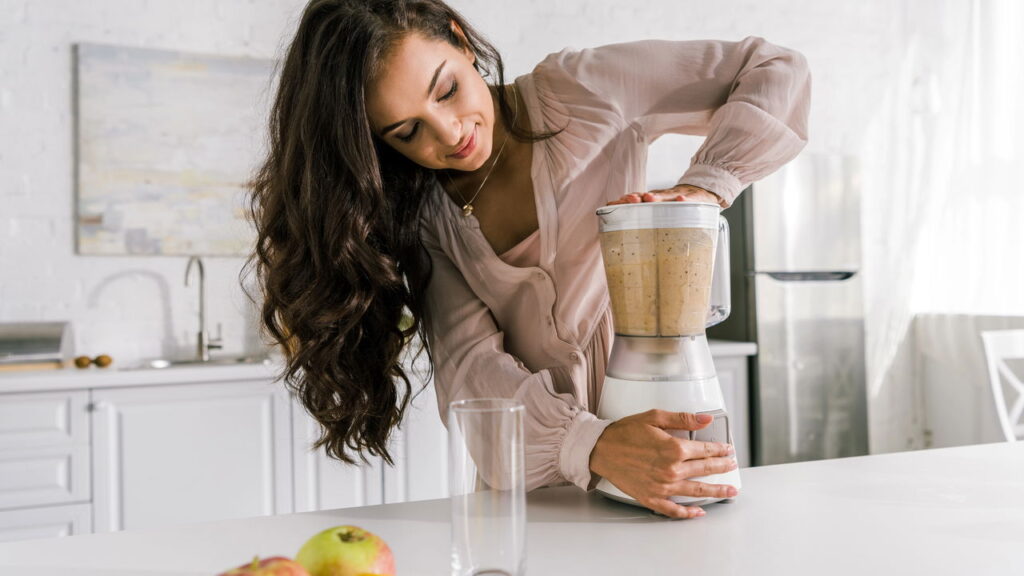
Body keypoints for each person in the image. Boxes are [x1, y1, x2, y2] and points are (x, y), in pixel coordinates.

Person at [248, 0, 810, 519]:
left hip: (670, 458)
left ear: (461, 40)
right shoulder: (425, 219)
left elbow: (773, 68)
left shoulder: (583, 91)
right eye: (407, 131)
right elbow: (472, 372)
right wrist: (591, 444)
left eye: (447, 91)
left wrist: (708, 186)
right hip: (540, 500)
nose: (450, 135)